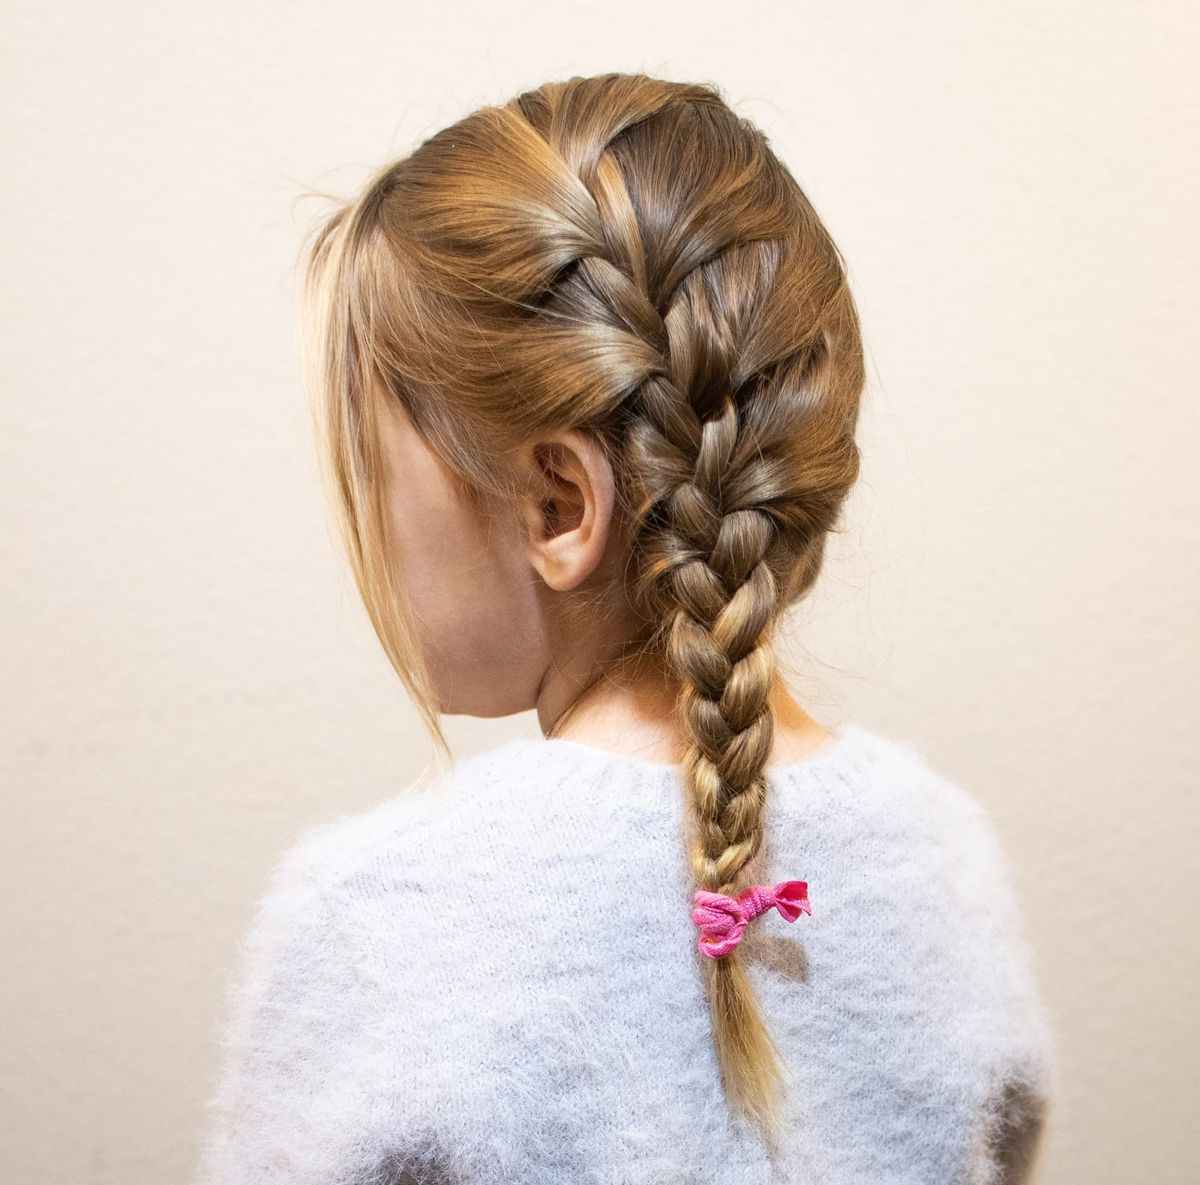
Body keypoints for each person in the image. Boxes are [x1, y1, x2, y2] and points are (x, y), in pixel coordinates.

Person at [195, 71, 1056, 1184]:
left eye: (370, 466)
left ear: (558, 504)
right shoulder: (946, 860)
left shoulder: (382, 923)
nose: (359, 526)